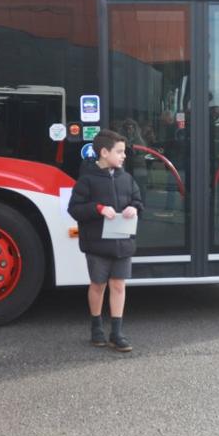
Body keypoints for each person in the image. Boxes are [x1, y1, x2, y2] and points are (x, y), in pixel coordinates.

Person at [67, 129, 143, 352]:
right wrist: (98, 209)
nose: (124, 155)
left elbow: (138, 201)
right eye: (119, 151)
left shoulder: (127, 179)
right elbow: (74, 209)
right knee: (98, 285)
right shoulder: (87, 179)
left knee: (118, 286)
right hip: (97, 244)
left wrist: (134, 208)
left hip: (122, 243)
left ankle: (117, 332)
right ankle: (96, 327)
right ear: (104, 152)